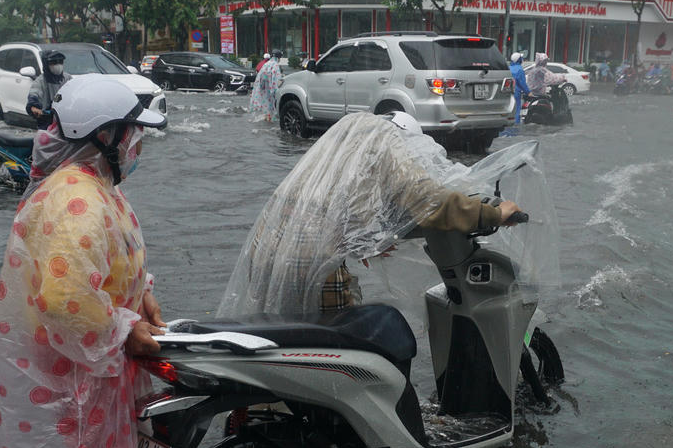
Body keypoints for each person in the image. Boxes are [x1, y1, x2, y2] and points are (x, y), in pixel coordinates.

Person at [0, 74, 168, 448]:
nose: (138, 144)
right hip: (73, 383)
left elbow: (112, 261)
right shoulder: (79, 199)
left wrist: (142, 297)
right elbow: (67, 297)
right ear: (105, 137)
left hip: (94, 373)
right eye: (133, 133)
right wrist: (124, 328)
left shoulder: (98, 188)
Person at [218, 111, 522, 319]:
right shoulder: (387, 142)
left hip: (267, 249)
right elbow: (427, 199)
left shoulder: (349, 138)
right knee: (347, 347)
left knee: (286, 334)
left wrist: (368, 241)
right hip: (310, 260)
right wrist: (492, 214)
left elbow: (341, 203)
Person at [26, 50, 73, 184]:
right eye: (53, 62)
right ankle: (39, 178)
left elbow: (78, 93)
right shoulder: (40, 81)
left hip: (66, 122)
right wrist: (34, 107)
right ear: (46, 65)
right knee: (45, 153)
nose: (57, 65)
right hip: (47, 123)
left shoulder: (68, 78)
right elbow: (34, 94)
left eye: (60, 62)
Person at [249, 49, 282, 122]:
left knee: (267, 105)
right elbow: (277, 79)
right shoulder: (275, 65)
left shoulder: (266, 64)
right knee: (272, 105)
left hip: (264, 88)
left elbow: (261, 76)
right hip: (272, 90)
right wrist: (276, 89)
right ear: (278, 58)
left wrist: (262, 87)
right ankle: (270, 120)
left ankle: (267, 118)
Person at [509, 52, 529, 124]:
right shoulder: (520, 70)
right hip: (516, 93)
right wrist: (528, 92)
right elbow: (522, 84)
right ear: (519, 60)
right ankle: (515, 125)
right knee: (516, 111)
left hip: (508, 92)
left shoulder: (508, 68)